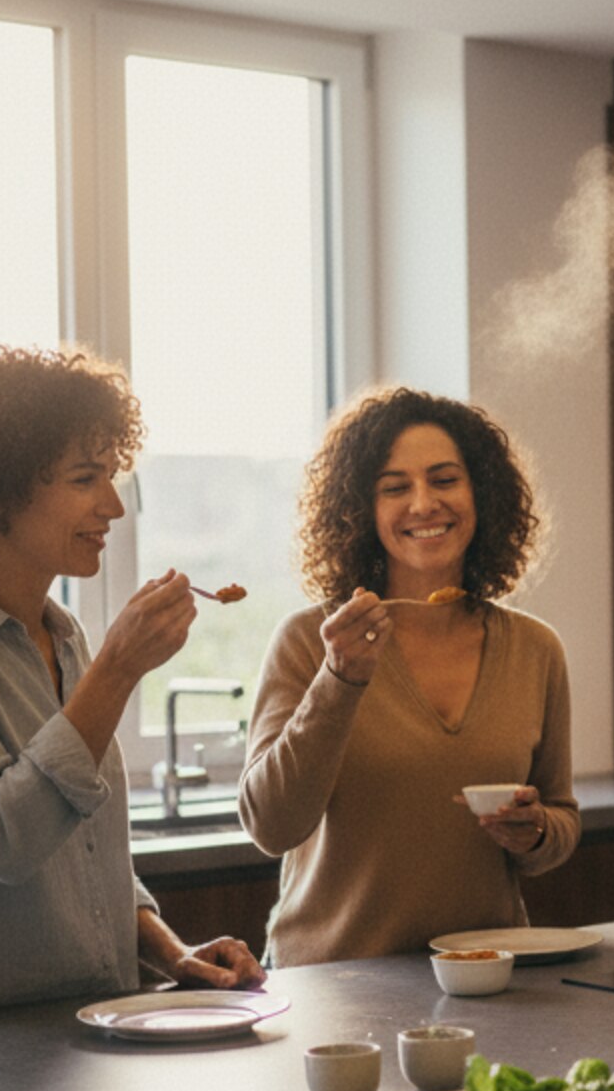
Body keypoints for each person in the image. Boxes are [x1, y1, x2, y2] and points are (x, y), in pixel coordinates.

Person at [0, 348, 264, 1021]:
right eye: (85, 478)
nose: (113, 506)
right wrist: (118, 670)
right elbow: (2, 840)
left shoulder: (65, 635)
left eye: (111, 476)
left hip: (81, 1032)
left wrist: (172, 952)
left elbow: (84, 853)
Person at [240, 388, 578, 964]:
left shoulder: (535, 649)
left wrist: (536, 832)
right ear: (360, 510)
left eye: (445, 480)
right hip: (334, 983)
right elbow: (270, 825)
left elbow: (561, 818)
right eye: (394, 488)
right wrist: (339, 679)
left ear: (481, 493)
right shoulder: (309, 641)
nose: (424, 503)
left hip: (484, 977)